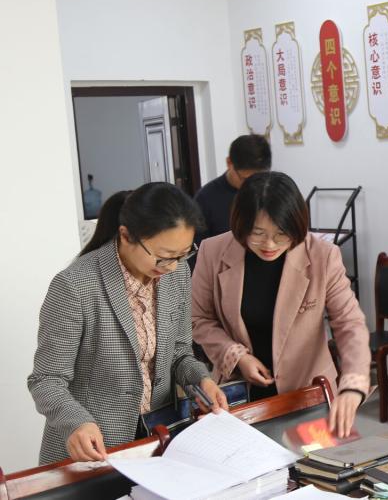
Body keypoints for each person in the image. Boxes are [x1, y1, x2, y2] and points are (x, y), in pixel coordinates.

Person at [28, 183, 227, 465]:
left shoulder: (177, 273)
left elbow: (180, 352)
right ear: (126, 235)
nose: (172, 266)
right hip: (93, 449)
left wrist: (201, 380)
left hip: (157, 440)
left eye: (183, 254)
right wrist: (76, 422)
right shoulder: (75, 286)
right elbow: (46, 380)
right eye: (163, 256)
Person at [191, 171, 370, 438]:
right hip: (238, 396)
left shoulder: (322, 256)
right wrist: (236, 355)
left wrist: (353, 385)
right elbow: (199, 319)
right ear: (241, 224)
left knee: (311, 462)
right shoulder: (213, 252)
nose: (269, 244)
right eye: (257, 233)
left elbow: (349, 323)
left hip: (306, 394)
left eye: (281, 234)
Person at [193, 134, 271, 248]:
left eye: (259, 179)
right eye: (245, 179)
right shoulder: (205, 199)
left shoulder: (273, 191)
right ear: (229, 163)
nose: (252, 185)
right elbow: (200, 249)